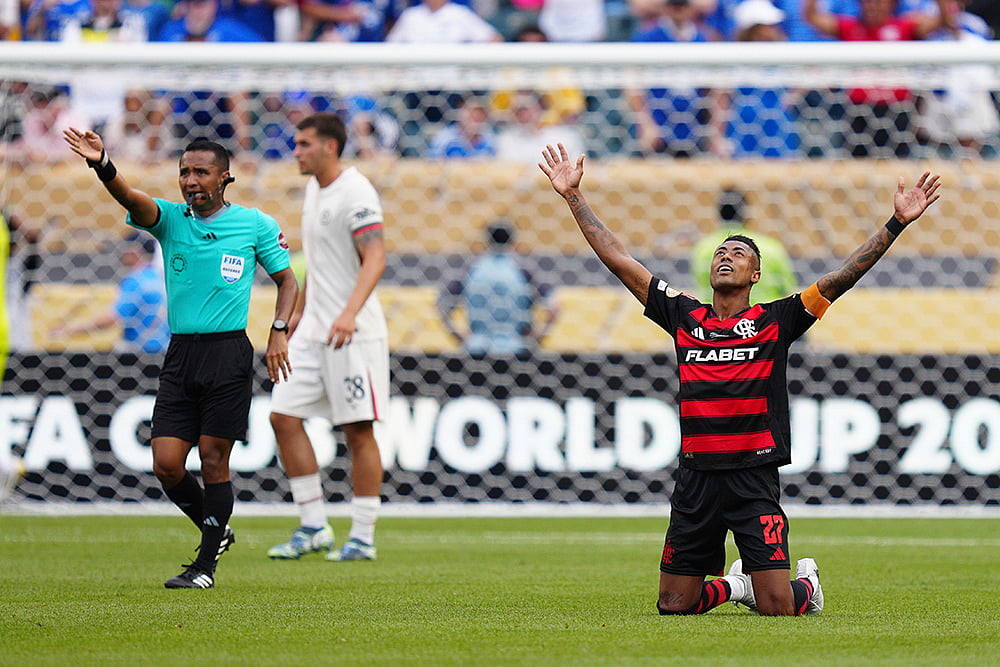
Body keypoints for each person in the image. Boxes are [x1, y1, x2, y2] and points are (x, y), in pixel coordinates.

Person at [539, 142, 940, 616]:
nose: (725, 256)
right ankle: (734, 587)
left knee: (778, 607)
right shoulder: (684, 315)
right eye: (721, 252)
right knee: (673, 606)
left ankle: (805, 587)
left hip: (752, 476)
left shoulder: (779, 319)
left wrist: (895, 223)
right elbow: (621, 260)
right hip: (696, 478)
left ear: (756, 274)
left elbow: (841, 277)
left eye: (738, 253)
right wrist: (574, 197)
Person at [62, 127, 298, 588]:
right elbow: (129, 196)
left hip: (228, 352)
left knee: (213, 460)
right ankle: (217, 530)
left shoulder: (255, 224)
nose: (190, 180)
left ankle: (204, 566)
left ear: (225, 178)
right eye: (184, 172)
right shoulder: (170, 220)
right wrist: (102, 162)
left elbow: (288, 282)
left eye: (201, 172)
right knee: (167, 464)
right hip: (181, 353)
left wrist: (279, 331)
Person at [267, 112, 389, 563]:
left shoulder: (355, 190)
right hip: (316, 328)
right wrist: (299, 313)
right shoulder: (316, 188)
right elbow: (322, 266)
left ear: (329, 147)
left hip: (352, 333)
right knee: (282, 415)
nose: (295, 152)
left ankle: (362, 537)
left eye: (303, 144)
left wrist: (349, 314)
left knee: (357, 431)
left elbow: (375, 256)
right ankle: (314, 526)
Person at [803, 0, 952, 158]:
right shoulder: (850, 28)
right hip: (858, 110)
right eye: (868, 2)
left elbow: (942, 21)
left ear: (891, 5)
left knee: (898, 166)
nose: (873, 6)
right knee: (858, 167)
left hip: (896, 110)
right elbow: (812, 17)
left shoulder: (903, 26)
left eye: (879, 2)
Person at [439, 219, 556, 355]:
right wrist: (537, 337)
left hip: (477, 348)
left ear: (487, 239)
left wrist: (460, 337)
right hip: (518, 348)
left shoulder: (471, 267)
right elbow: (555, 305)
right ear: (513, 240)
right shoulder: (524, 268)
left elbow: (441, 305)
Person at [49, 231, 171, 353]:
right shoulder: (159, 278)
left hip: (140, 351)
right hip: (164, 349)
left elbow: (111, 319)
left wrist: (68, 330)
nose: (121, 254)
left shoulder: (135, 281)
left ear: (134, 251)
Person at [691, 188, 796, 305]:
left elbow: (701, 287)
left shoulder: (703, 249)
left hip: (717, 319)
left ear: (718, 212)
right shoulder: (771, 247)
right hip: (764, 319)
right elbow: (787, 289)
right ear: (746, 212)